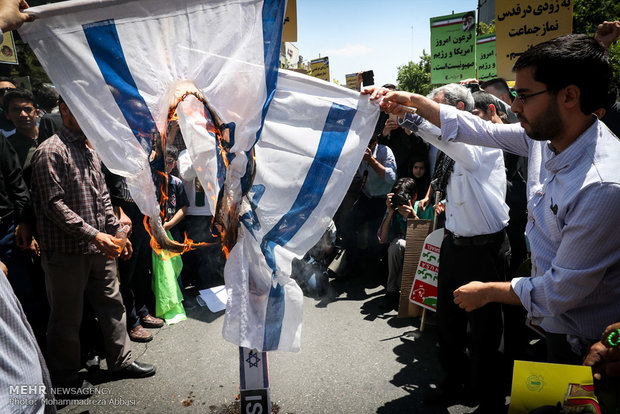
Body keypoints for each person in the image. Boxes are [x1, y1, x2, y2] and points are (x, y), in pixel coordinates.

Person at [372, 32, 620, 366]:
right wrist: (411, 105)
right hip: (556, 326)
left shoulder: (601, 185)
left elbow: (559, 291)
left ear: (570, 96)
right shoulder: (543, 141)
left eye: (524, 96)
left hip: (596, 346)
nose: (514, 107)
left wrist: (488, 290)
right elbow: (479, 131)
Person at [381, 83, 511, 413]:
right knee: (449, 325)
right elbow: (441, 142)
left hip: (485, 252)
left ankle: (485, 396)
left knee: (484, 331)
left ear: (458, 112)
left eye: (434, 109)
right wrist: (408, 116)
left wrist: (412, 116)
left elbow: (444, 139)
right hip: (455, 246)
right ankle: (453, 384)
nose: (430, 114)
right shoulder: (449, 156)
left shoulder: (482, 144)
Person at [30, 97, 156, 389]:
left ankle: (121, 361)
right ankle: (66, 378)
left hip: (101, 247)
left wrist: (116, 233)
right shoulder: (50, 151)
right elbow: (53, 205)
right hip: (66, 252)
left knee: (113, 305)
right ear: (64, 109)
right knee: (66, 318)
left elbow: (102, 199)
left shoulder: (91, 150)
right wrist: (95, 235)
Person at [377, 177, 418, 310]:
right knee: (397, 245)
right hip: (397, 255)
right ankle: (391, 291)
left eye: (403, 196)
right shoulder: (392, 210)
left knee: (400, 244)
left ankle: (399, 289)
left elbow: (426, 241)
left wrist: (413, 217)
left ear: (414, 197)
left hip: (417, 254)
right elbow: (383, 239)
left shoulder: (421, 207)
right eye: (397, 196)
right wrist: (390, 213)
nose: (400, 200)